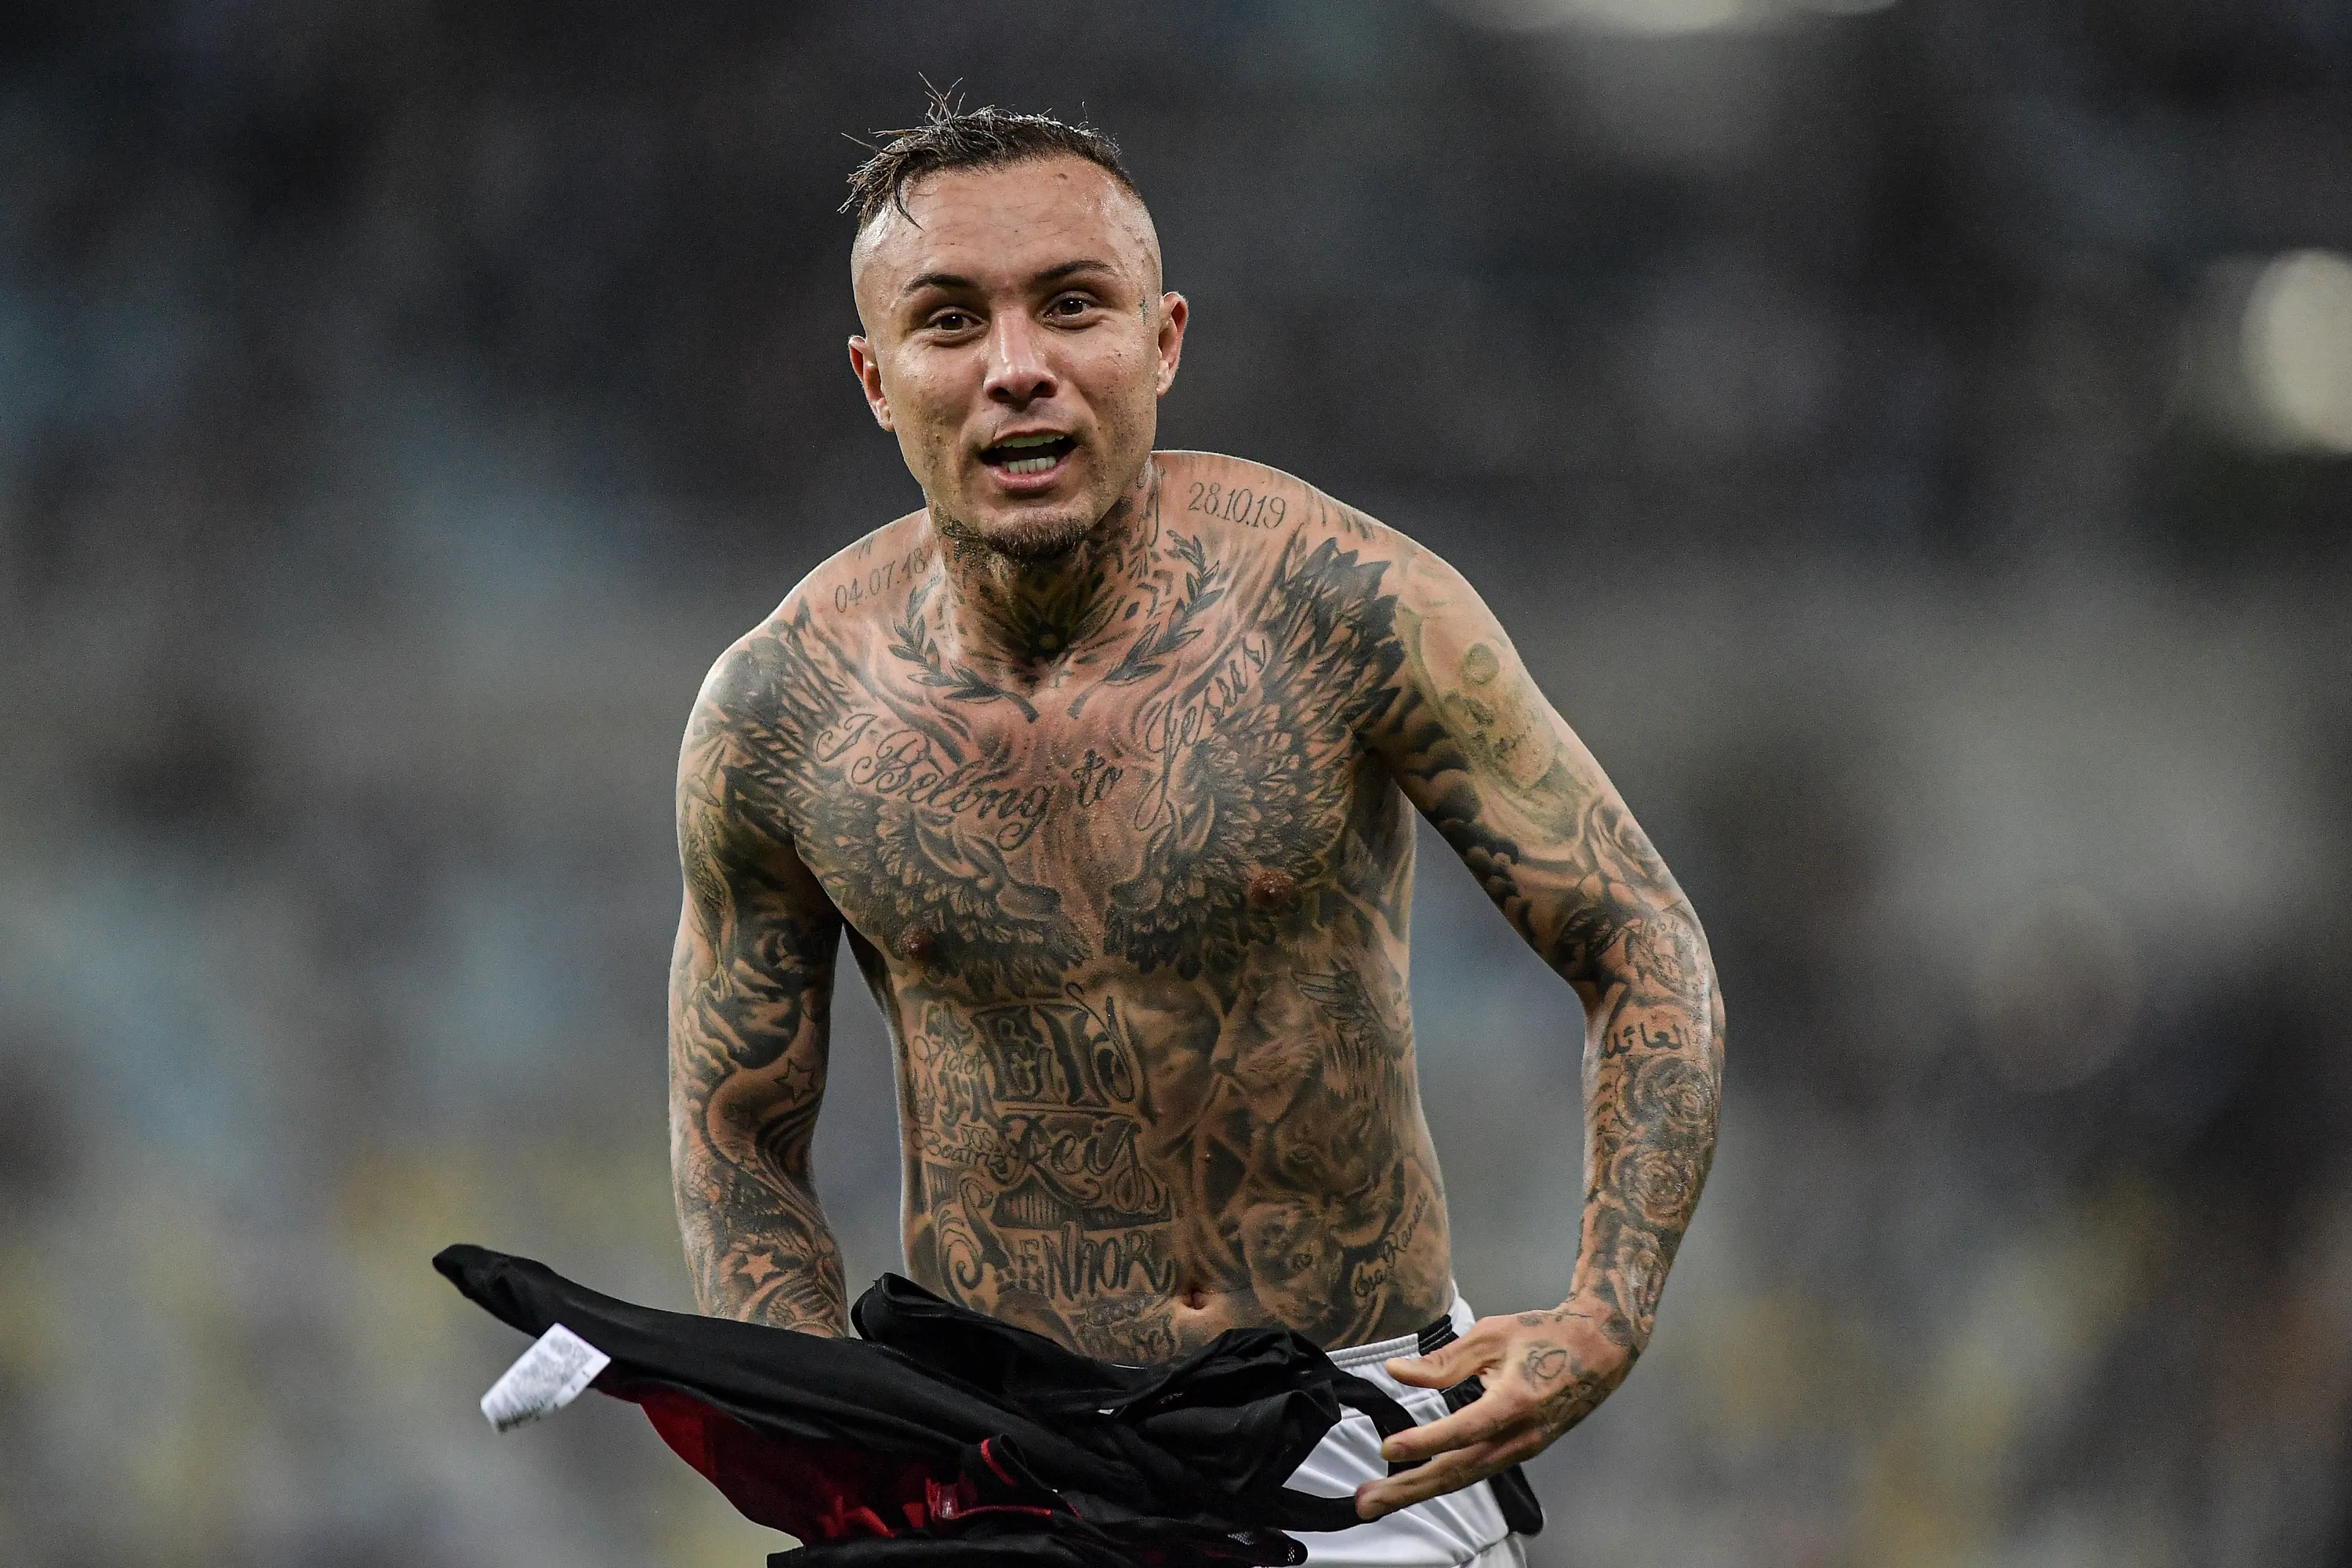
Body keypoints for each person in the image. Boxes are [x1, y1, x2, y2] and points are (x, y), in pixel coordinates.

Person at [667, 99, 1723, 1568]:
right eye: (951, 321)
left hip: (1364, 1442)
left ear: (1163, 341)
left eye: (1072, 305)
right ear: (874, 377)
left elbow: (1640, 942)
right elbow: (735, 1128)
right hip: (1010, 1459)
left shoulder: (1349, 606)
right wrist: (812, 1408)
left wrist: (1608, 1309)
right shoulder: (780, 709)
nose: (1018, 369)